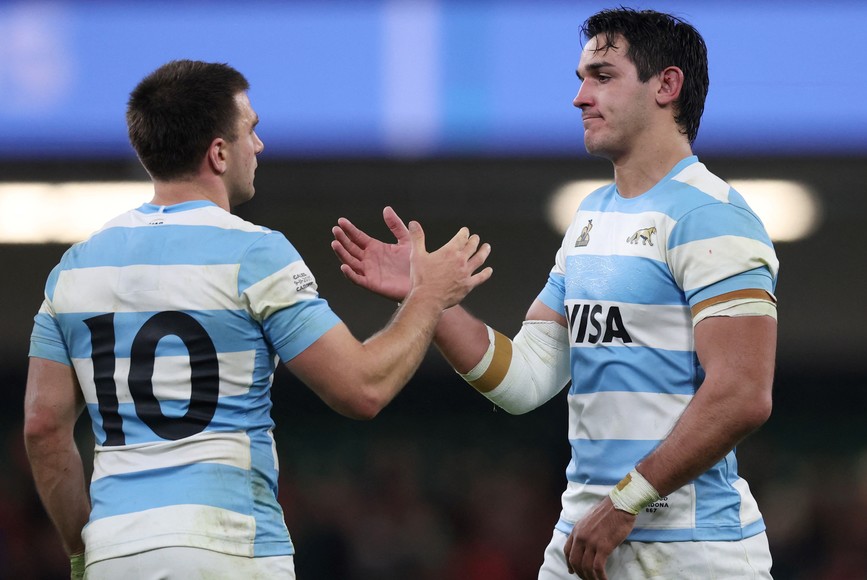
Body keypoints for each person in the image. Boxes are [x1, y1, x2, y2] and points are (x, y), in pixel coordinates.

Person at [331, 8, 779, 579]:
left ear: (667, 86)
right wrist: (427, 299)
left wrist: (626, 500)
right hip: (583, 538)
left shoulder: (712, 217)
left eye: (603, 76)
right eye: (580, 79)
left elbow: (743, 393)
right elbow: (528, 378)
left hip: (690, 551)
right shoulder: (590, 217)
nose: (580, 98)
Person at [23, 59, 492, 579]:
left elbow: (43, 430)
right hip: (228, 547)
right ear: (218, 153)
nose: (260, 146)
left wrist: (85, 550)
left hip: (115, 554)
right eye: (253, 130)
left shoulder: (73, 270)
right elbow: (362, 389)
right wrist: (427, 296)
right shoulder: (254, 253)